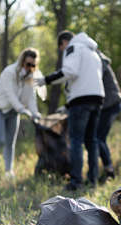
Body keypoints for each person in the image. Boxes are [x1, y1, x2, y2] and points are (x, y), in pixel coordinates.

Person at [35, 31, 104, 191]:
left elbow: (70, 72)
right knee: (91, 141)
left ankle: (76, 181)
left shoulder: (73, 47)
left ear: (64, 42)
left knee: (75, 140)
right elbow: (84, 78)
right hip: (98, 98)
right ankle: (92, 180)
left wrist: (46, 80)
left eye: (61, 47)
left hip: (80, 101)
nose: (62, 51)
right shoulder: (93, 51)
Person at [0, 48, 46, 182]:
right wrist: (22, 109)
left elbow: (31, 99)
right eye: (28, 64)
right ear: (22, 61)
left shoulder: (31, 77)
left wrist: (34, 113)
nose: (30, 68)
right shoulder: (9, 72)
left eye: (33, 65)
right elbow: (10, 95)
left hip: (14, 113)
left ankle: (8, 172)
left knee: (11, 143)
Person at [96, 51, 121, 182]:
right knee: (99, 138)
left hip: (111, 104)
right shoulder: (101, 61)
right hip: (109, 104)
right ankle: (107, 171)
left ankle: (109, 172)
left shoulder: (100, 63)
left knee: (98, 138)